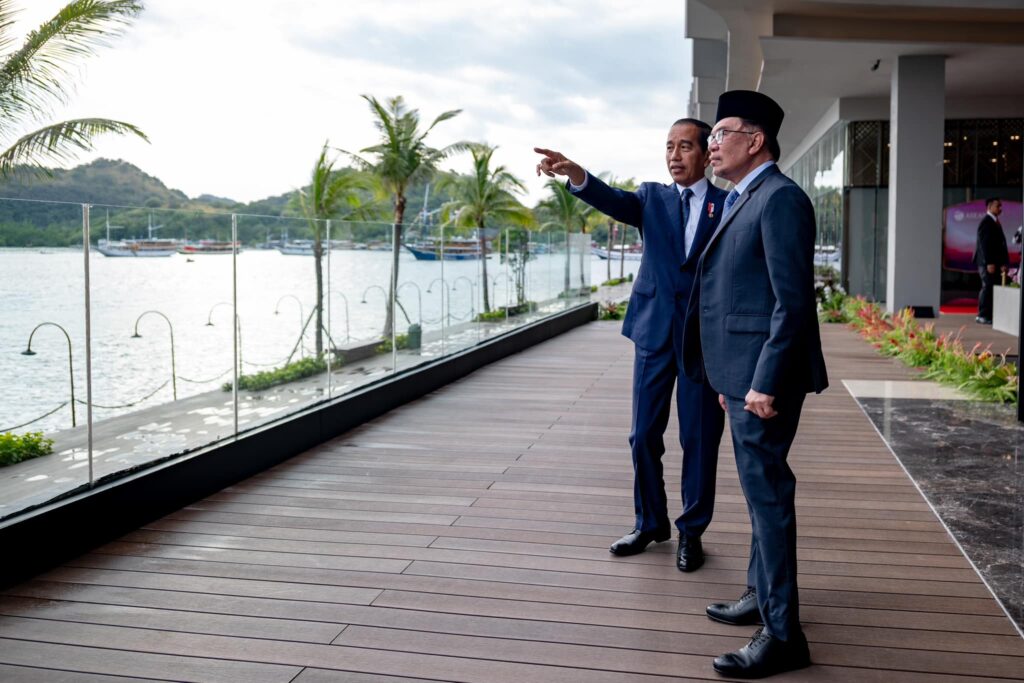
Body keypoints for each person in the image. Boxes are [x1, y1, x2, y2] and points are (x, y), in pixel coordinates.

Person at [534, 118, 726, 573]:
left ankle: (691, 532)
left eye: (685, 146)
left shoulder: (728, 204)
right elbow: (612, 200)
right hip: (653, 333)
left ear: (705, 154)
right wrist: (575, 173)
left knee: (699, 439)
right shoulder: (651, 198)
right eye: (669, 146)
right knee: (642, 435)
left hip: (703, 340)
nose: (674, 155)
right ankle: (650, 523)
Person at [681, 90, 828, 678]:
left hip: (764, 380)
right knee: (756, 491)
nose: (711, 144)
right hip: (740, 375)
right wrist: (728, 376)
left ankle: (783, 633)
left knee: (768, 497)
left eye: (721, 133)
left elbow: (792, 304)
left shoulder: (780, 199)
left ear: (756, 140)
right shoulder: (746, 196)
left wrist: (762, 382)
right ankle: (758, 593)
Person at [972, 197, 1007, 325]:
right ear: (989, 207)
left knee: (992, 288)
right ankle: (982, 315)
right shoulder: (986, 222)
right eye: (998, 206)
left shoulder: (995, 222)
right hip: (986, 263)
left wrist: (1003, 263)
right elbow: (984, 245)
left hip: (995, 263)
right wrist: (989, 262)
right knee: (987, 287)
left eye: (1001, 206)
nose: (1000, 208)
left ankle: (988, 315)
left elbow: (1000, 245)